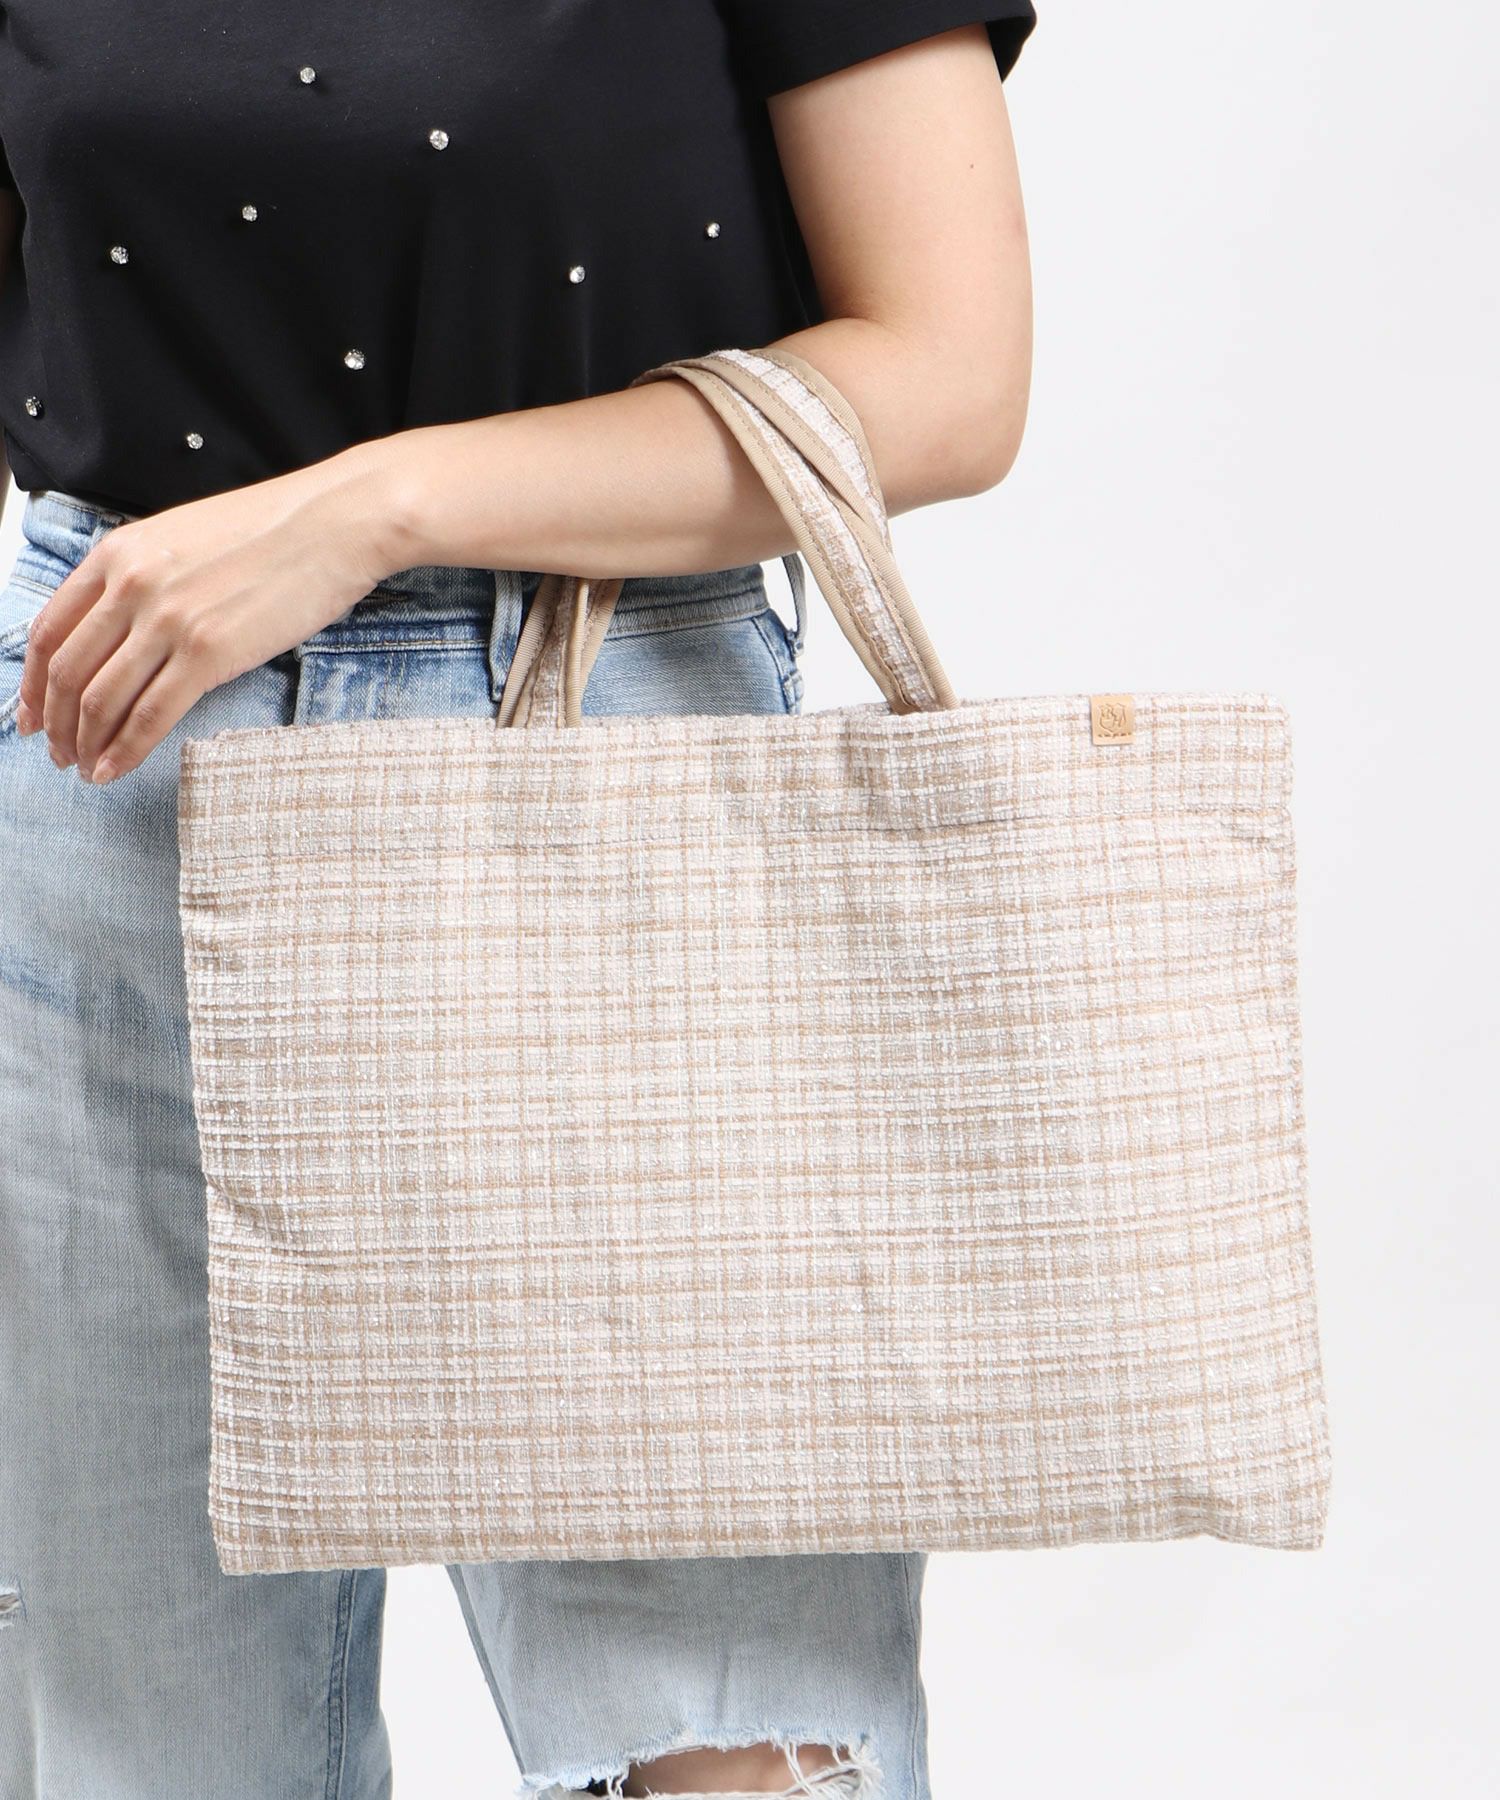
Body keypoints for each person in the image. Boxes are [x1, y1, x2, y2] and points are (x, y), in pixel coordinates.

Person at [0, 5, 1037, 1795]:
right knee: (140, 1738)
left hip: (615, 782)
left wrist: (375, 507)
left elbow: (952, 376)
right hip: (102, 764)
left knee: (725, 1723)